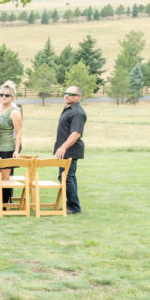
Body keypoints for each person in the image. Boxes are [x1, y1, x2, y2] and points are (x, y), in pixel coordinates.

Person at [55, 85, 86, 214]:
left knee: (67, 177)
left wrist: (63, 147)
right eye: (65, 93)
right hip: (65, 150)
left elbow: (76, 133)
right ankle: (71, 205)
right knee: (67, 177)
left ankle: (74, 207)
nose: (67, 95)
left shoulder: (77, 112)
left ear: (78, 97)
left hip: (70, 150)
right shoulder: (68, 109)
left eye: (71, 94)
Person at [0, 84, 23, 201]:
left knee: (5, 177)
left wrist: (16, 150)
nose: (3, 97)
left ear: (12, 97)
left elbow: (18, 132)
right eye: (1, 94)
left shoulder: (14, 112)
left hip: (7, 147)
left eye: (7, 95)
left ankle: (4, 203)